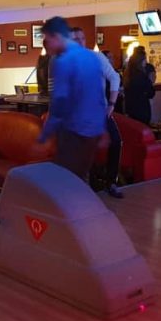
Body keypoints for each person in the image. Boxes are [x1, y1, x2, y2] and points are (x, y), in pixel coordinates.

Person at [38, 17, 106, 181]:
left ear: (56, 36)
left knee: (66, 179)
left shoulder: (62, 61)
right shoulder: (91, 57)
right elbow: (98, 96)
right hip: (93, 130)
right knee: (82, 176)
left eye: (47, 38)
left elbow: (59, 101)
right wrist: (103, 129)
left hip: (73, 130)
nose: (47, 44)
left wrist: (45, 134)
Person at [71, 27, 123, 198]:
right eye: (75, 39)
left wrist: (112, 104)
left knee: (116, 142)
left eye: (82, 38)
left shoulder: (97, 57)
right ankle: (89, 186)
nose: (80, 42)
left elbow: (114, 77)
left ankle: (111, 182)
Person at [123, 47, 155, 125]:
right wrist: (150, 82)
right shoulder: (141, 76)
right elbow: (151, 93)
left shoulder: (128, 74)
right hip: (142, 109)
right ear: (140, 61)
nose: (146, 61)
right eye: (144, 59)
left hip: (130, 109)